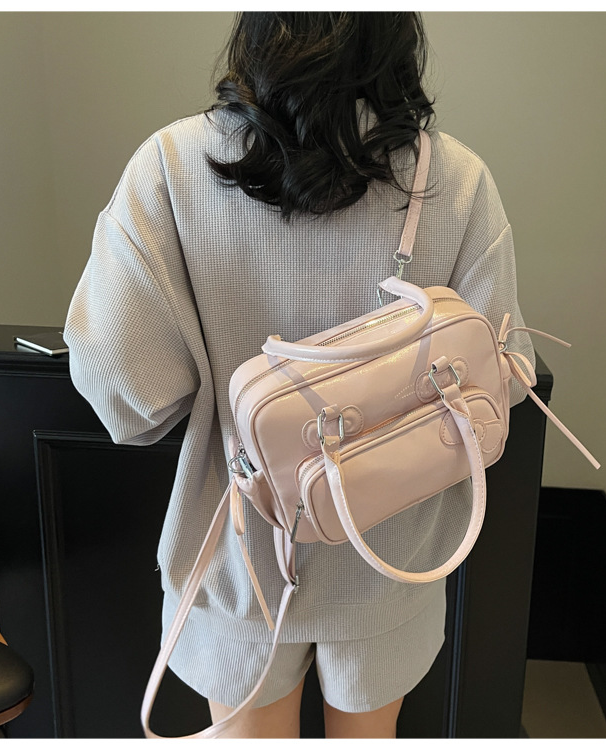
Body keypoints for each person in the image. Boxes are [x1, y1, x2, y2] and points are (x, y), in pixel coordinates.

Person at [64, 11, 535, 739]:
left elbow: (128, 397)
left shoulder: (172, 167)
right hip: (391, 553)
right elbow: (507, 380)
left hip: (241, 552)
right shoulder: (456, 179)